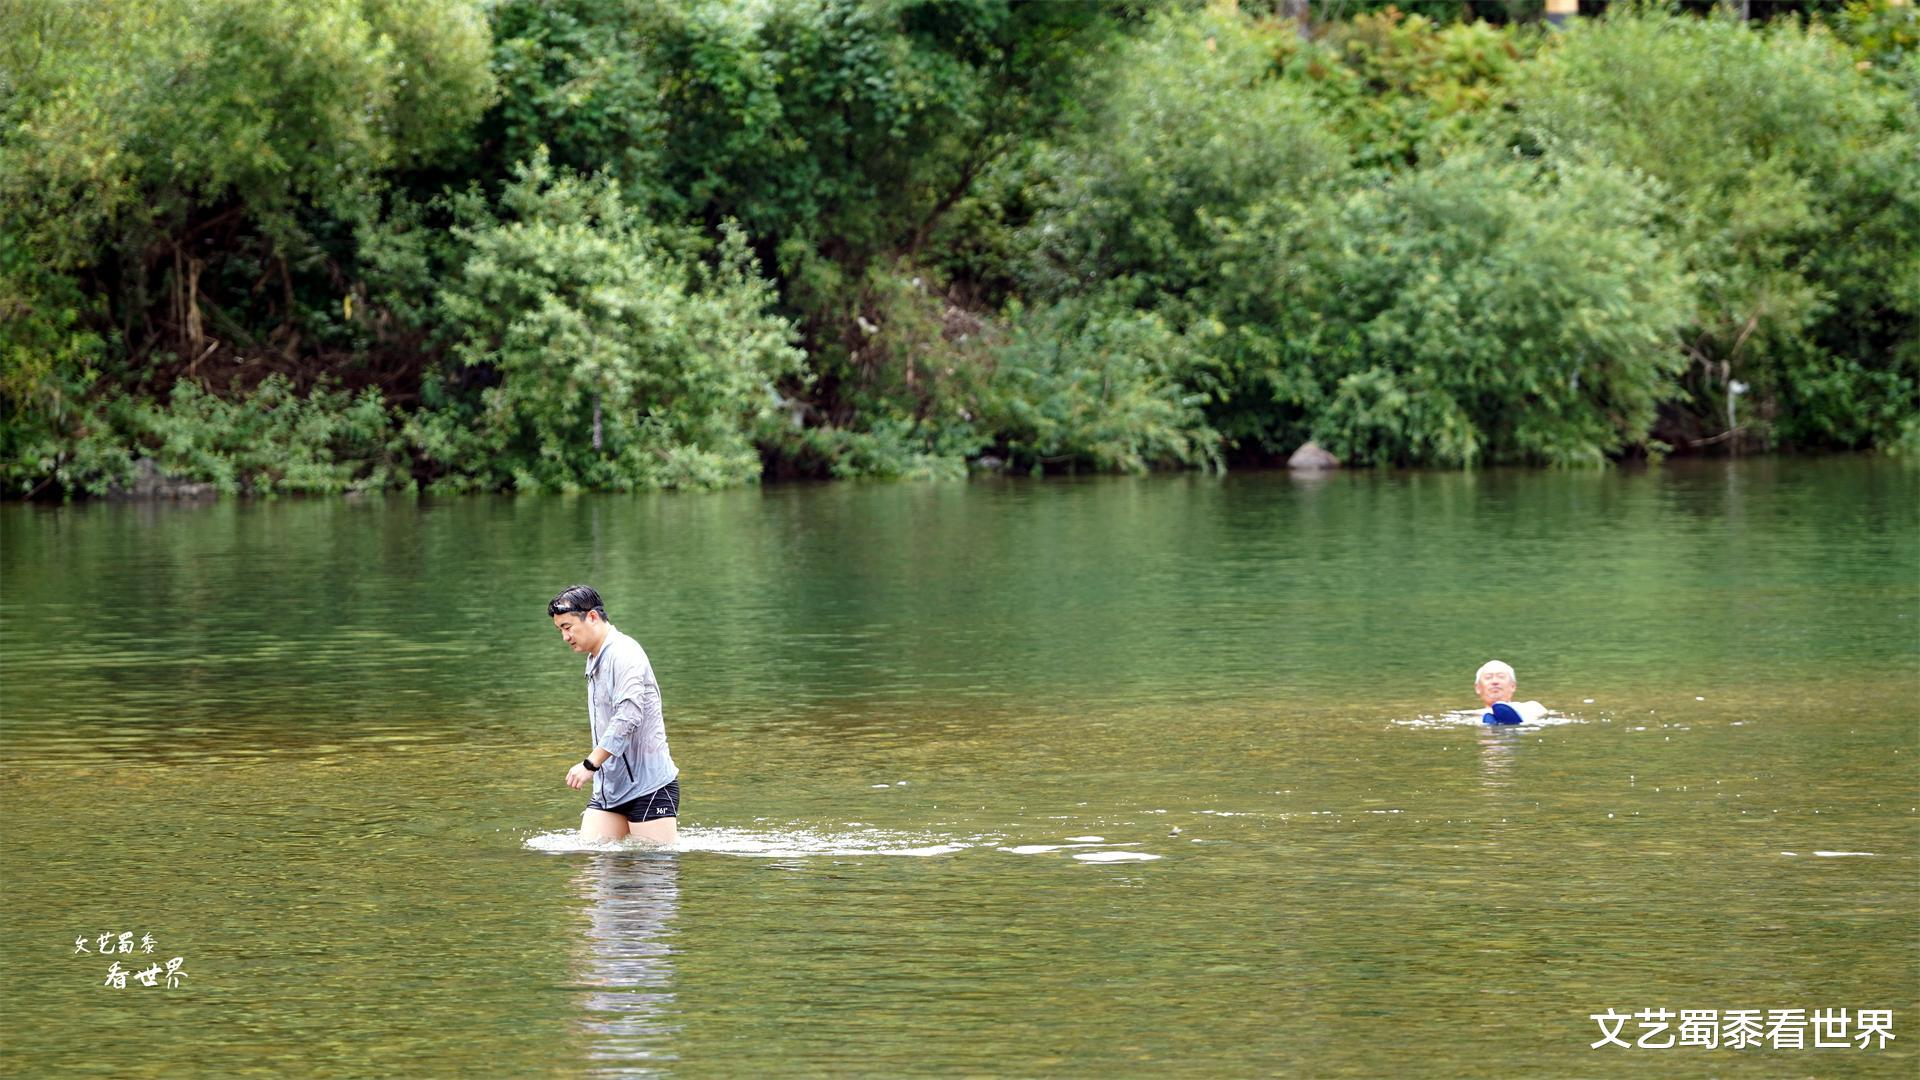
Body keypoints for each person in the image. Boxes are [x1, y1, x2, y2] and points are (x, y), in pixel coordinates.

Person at [549, 585, 680, 844]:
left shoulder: (624, 653)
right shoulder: (595, 657)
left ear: (592, 617)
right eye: (560, 630)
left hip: (649, 787)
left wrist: (590, 764)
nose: (565, 637)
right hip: (610, 789)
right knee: (589, 859)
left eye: (567, 627)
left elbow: (629, 716)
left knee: (653, 862)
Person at [1474, 659, 1548, 725]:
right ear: (1478, 688)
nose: (1495, 681)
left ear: (1513, 686)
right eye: (1488, 677)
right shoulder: (1472, 714)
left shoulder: (1531, 707)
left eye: (1501, 677)